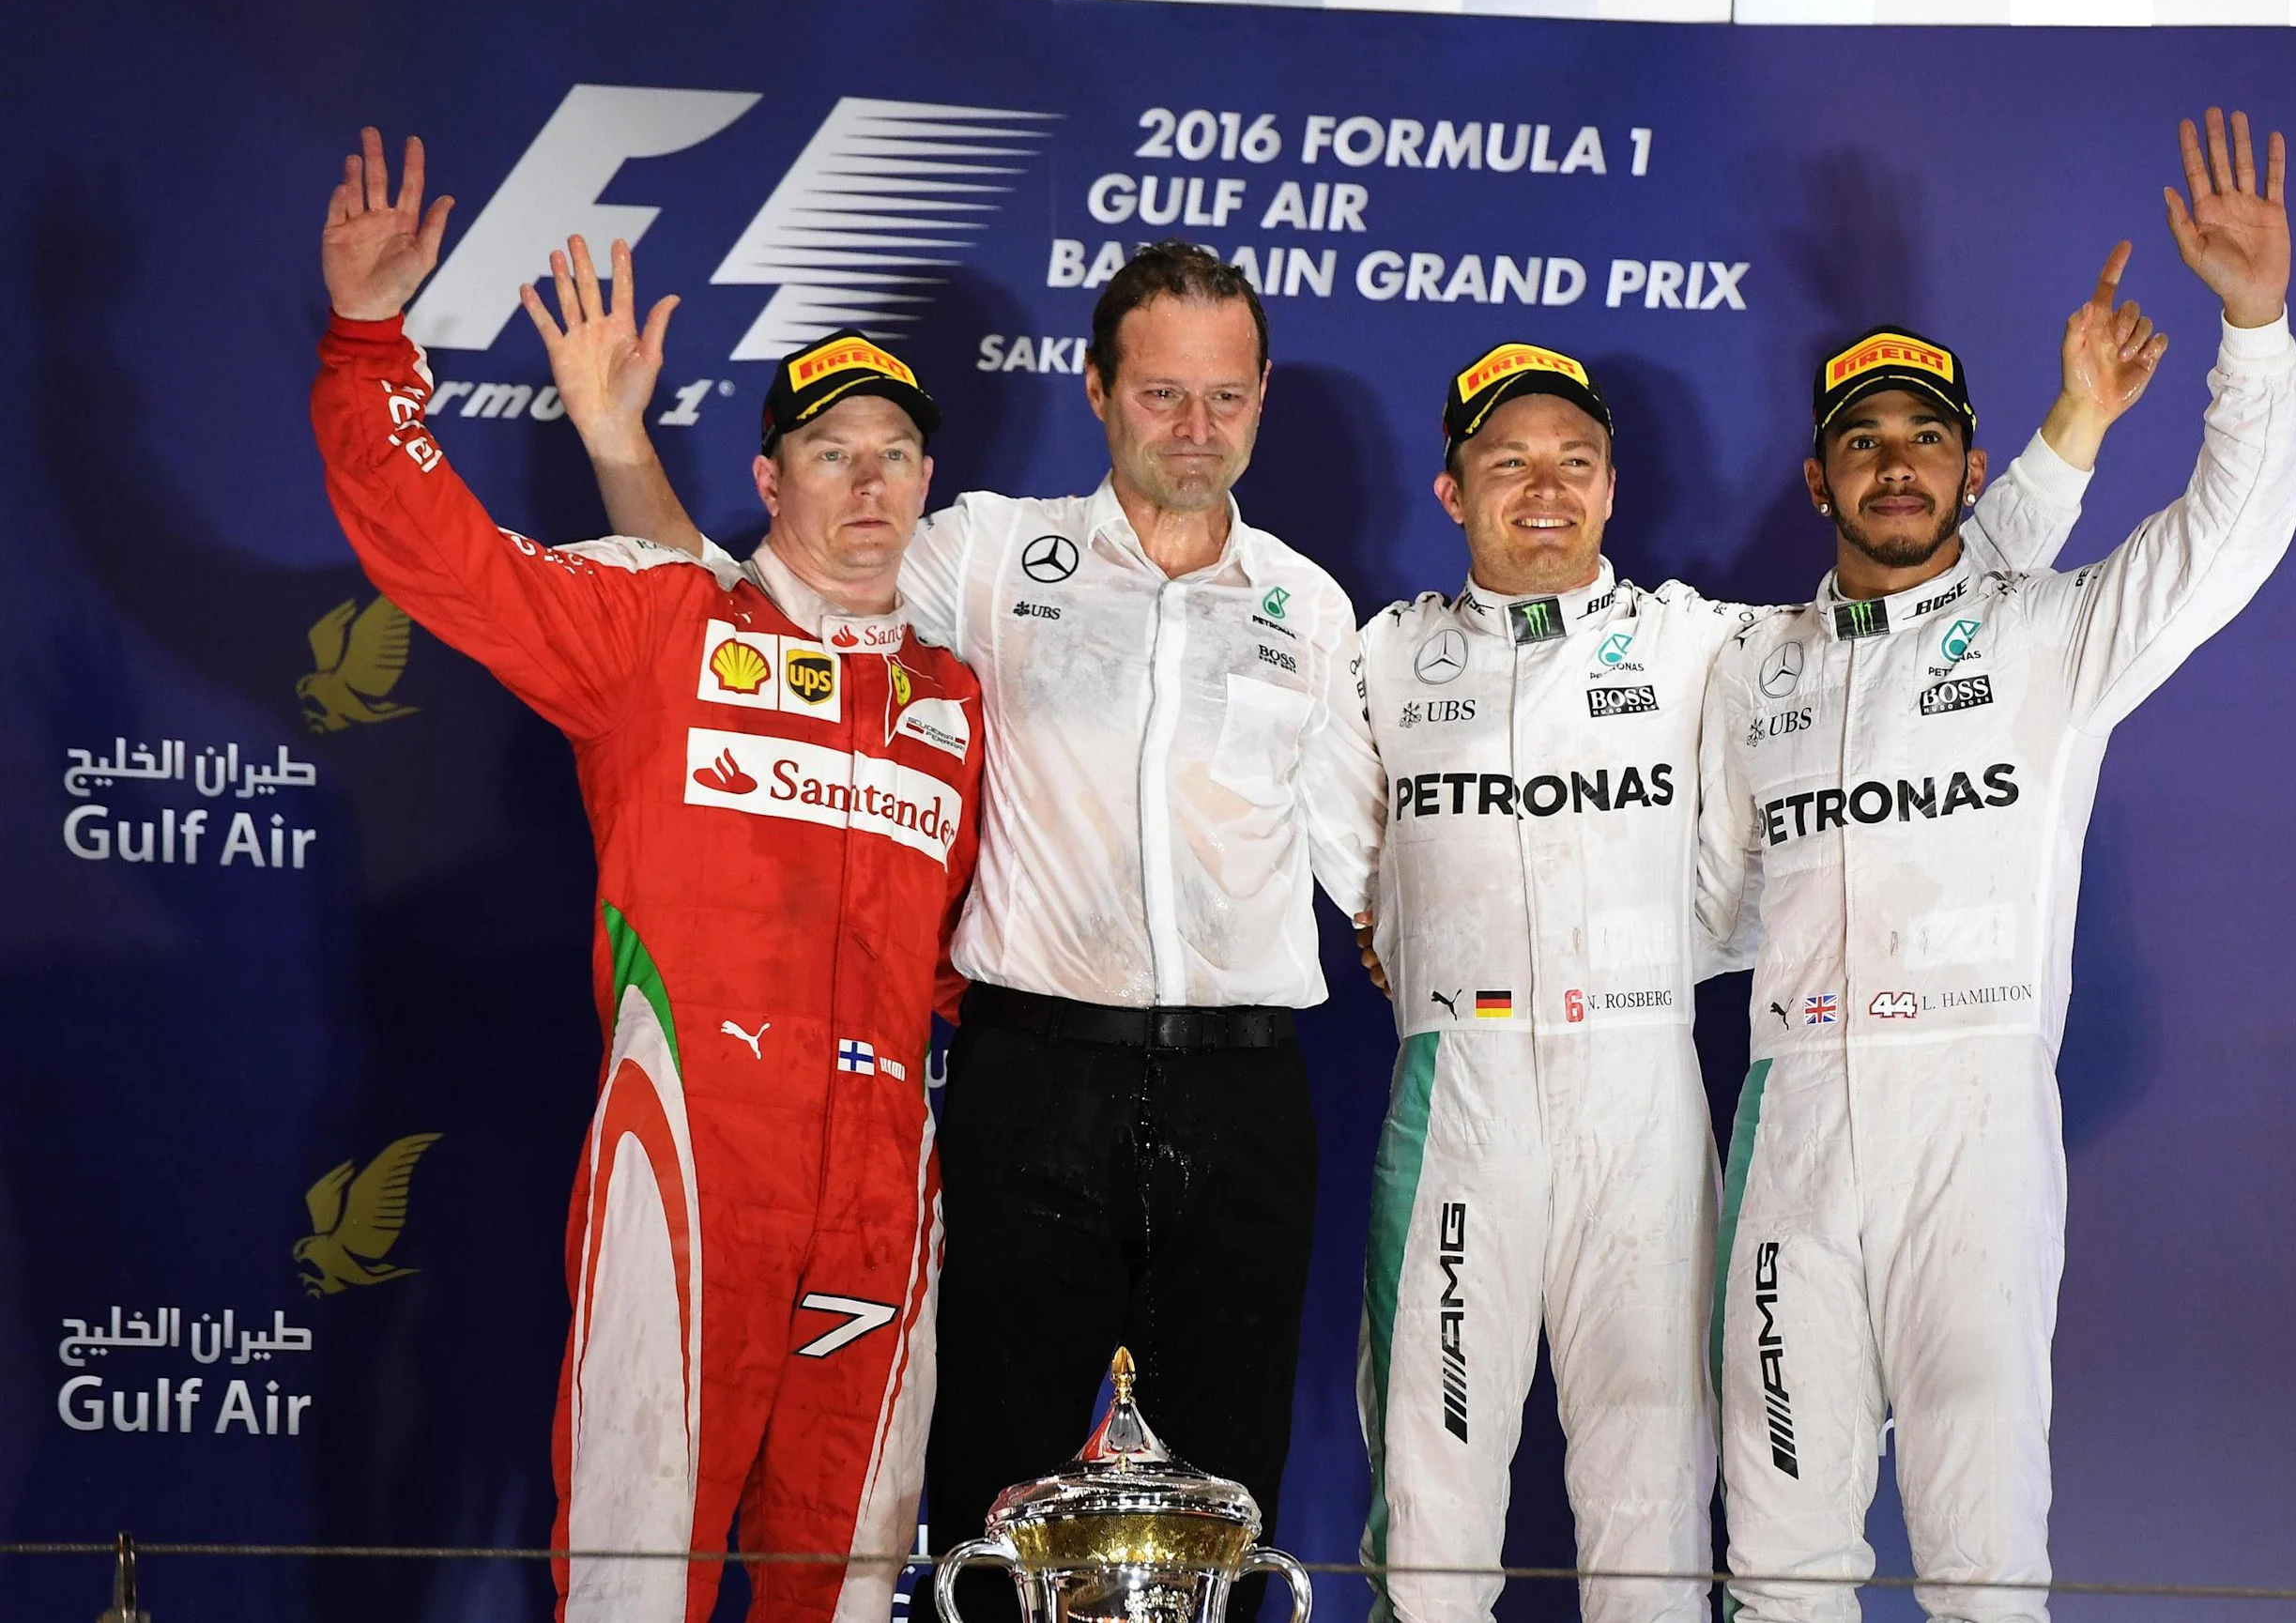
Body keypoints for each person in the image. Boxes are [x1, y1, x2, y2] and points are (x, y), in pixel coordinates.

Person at [571, 240, 1381, 1623]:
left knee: (1228, 1510)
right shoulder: (987, 553)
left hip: (1246, 1098)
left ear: (1261, 400)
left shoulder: (1307, 605)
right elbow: (737, 613)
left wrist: (1429, 946)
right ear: (1098, 391)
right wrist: (615, 445)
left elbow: (1366, 856)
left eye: (1227, 398)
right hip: (1032, 1084)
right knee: (996, 1507)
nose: (1197, 429)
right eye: (1164, 394)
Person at [310, 130, 984, 1623]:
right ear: (767, 476)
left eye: (894, 455)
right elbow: (436, 553)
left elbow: (976, 952)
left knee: (852, 1588)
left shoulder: (957, 698)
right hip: (687, 1165)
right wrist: (370, 342)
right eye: (830, 454)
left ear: (931, 476)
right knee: (633, 1581)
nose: (867, 488)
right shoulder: (661, 627)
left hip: (885, 1188)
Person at [1348, 336, 2118, 1623]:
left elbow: (1931, 603)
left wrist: (2068, 444)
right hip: (1463, 1090)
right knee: (1429, 1511)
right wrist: (1391, 908)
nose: (1545, 488)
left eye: (1575, 461)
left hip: (1643, 1083)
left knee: (1654, 1504)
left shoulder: (1706, 644)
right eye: (1508, 463)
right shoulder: (1377, 658)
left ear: (1612, 485)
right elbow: (1322, 827)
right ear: (1452, 489)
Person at [1694, 108, 2296, 1623]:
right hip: (1791, 1132)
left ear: (1970, 473)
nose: (1893, 467)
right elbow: (1690, 910)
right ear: (1824, 480)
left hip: (1975, 1125)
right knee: (1777, 1568)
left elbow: (2231, 536)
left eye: (1924, 442)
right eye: (1861, 443)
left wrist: (2256, 326)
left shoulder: (2045, 639)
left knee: (1982, 1569)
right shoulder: (1749, 671)